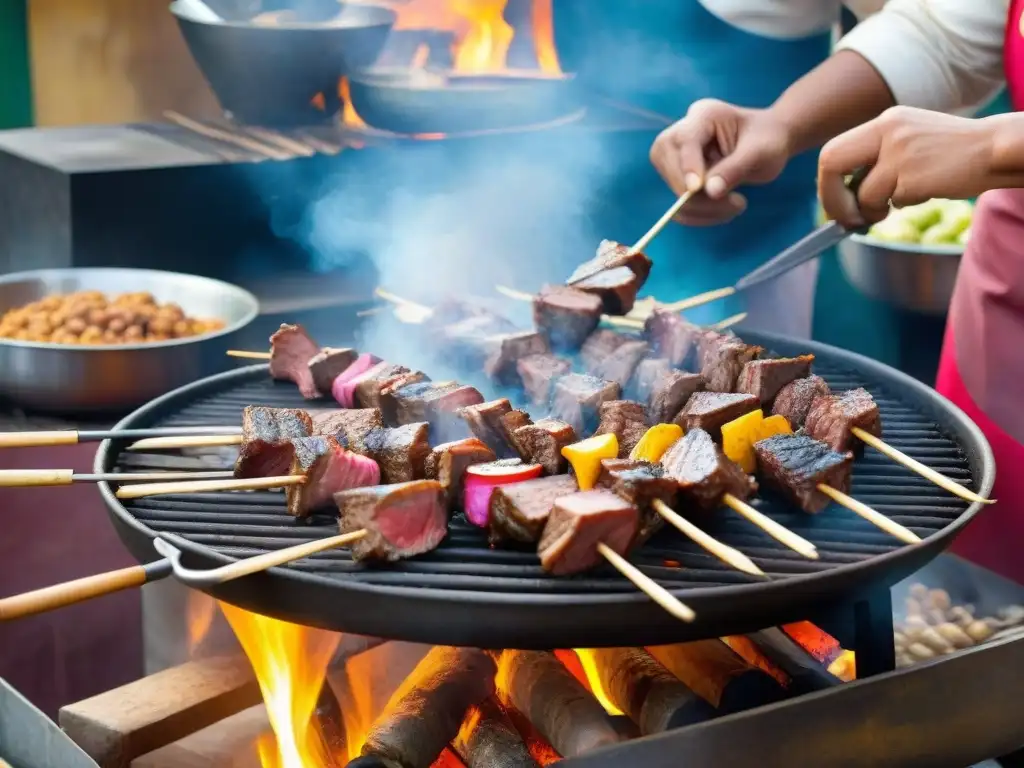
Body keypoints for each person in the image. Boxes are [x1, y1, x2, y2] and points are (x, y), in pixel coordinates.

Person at [651, 0, 1022, 580]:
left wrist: (998, 146)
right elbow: (952, 30)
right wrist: (779, 122)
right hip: (1013, 295)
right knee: (996, 586)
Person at [554, 2, 885, 338]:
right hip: (577, 213)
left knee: (741, 370)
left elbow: (922, 28)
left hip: (757, 241)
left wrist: (782, 124)